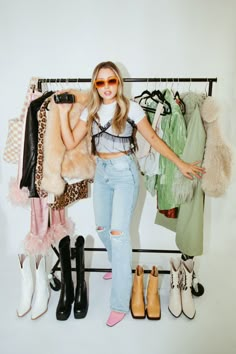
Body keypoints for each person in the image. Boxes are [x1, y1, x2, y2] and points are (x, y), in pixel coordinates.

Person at [57, 61, 205, 327]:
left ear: (118, 82)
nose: (106, 88)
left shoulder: (131, 107)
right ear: (95, 85)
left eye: (110, 81)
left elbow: (153, 139)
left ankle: (119, 303)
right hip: (101, 173)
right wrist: (63, 112)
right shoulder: (90, 110)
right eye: (100, 83)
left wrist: (180, 163)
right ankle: (120, 267)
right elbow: (70, 142)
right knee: (103, 228)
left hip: (125, 173)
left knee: (119, 235)